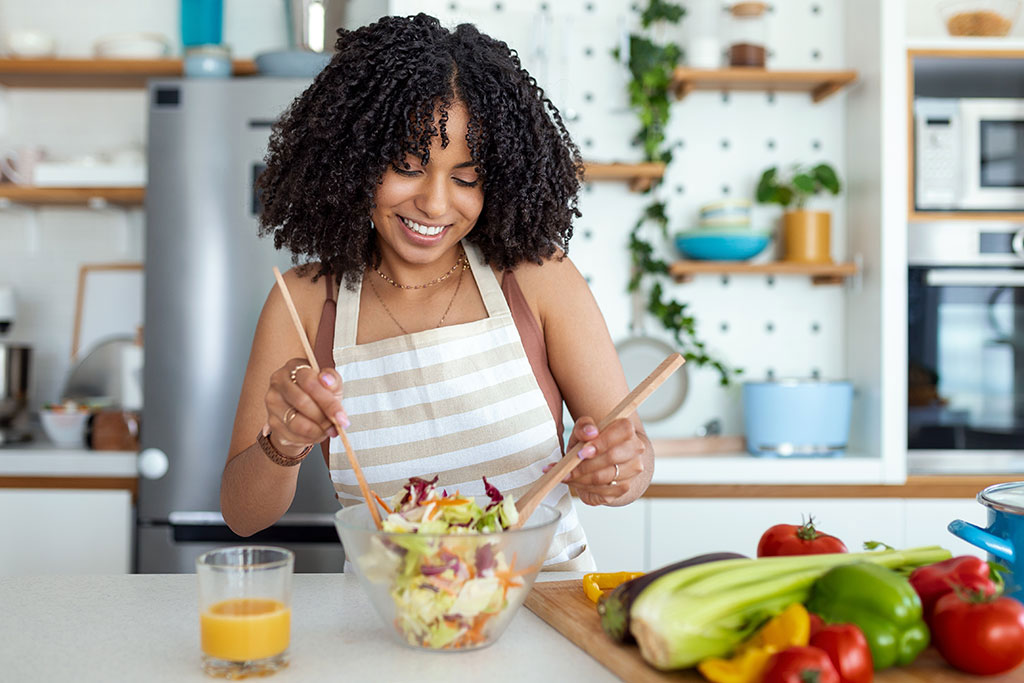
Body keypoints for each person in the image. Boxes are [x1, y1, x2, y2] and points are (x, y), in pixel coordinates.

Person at [221, 13, 655, 570]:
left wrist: (616, 471)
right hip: (391, 626)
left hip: (546, 619)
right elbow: (242, 515)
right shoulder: (303, 302)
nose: (434, 203)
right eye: (406, 166)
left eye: (466, 178)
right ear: (351, 159)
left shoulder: (536, 277)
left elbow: (633, 457)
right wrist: (282, 442)